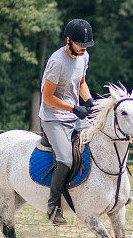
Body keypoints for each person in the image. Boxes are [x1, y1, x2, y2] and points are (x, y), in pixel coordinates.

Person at [39, 18, 95, 225]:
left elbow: (81, 82)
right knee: (66, 160)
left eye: (86, 45)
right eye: (80, 44)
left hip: (74, 115)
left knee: (99, 141)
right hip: (53, 118)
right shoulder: (57, 62)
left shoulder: (84, 56)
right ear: (68, 40)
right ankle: (53, 208)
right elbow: (48, 97)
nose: (83, 49)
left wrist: (89, 101)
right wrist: (73, 107)